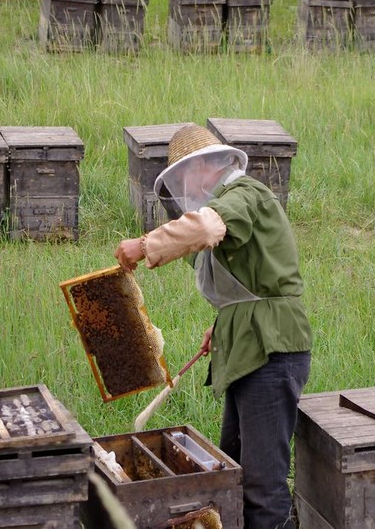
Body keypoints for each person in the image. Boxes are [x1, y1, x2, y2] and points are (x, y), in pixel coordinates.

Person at [114, 124, 312, 529]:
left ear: (205, 167)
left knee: (262, 483)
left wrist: (145, 244)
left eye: (185, 176)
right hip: (248, 343)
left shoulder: (244, 194)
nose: (184, 188)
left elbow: (206, 228)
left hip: (271, 348)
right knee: (233, 466)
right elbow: (245, 287)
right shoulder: (230, 199)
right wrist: (224, 325)